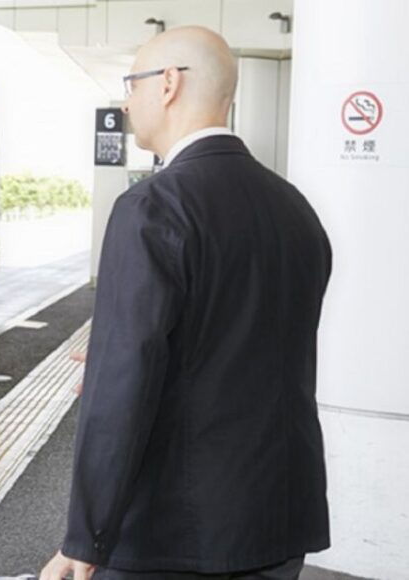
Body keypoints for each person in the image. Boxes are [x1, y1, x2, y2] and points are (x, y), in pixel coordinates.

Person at [41, 26, 332, 580]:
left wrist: (86, 536)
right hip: (280, 516)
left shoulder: (153, 205)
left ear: (168, 83)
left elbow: (123, 385)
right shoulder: (295, 209)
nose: (126, 101)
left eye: (132, 84)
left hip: (174, 530)